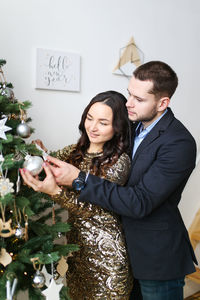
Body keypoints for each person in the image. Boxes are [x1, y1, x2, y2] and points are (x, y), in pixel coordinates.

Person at [23, 61, 197, 300]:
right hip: (122, 252)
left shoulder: (179, 143)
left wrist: (78, 179)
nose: (129, 103)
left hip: (156, 256)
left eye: (139, 98)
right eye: (129, 94)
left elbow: (140, 201)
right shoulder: (131, 125)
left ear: (162, 103)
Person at [21, 91, 134, 300]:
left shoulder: (120, 161)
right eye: (90, 118)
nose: (92, 127)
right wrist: (41, 155)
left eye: (103, 122)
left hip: (107, 260)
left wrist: (54, 191)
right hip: (77, 255)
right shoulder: (77, 150)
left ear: (117, 126)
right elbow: (50, 161)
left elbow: (90, 210)